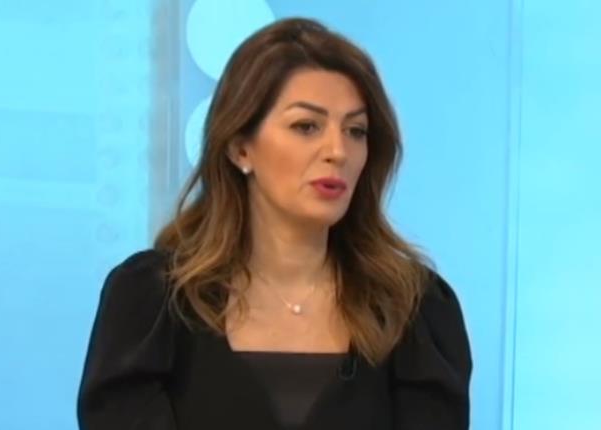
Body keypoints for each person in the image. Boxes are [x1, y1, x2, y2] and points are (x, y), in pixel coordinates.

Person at [77, 17, 472, 430]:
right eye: (307, 126)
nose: (338, 151)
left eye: (356, 131)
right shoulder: (152, 302)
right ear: (240, 148)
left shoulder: (414, 309)